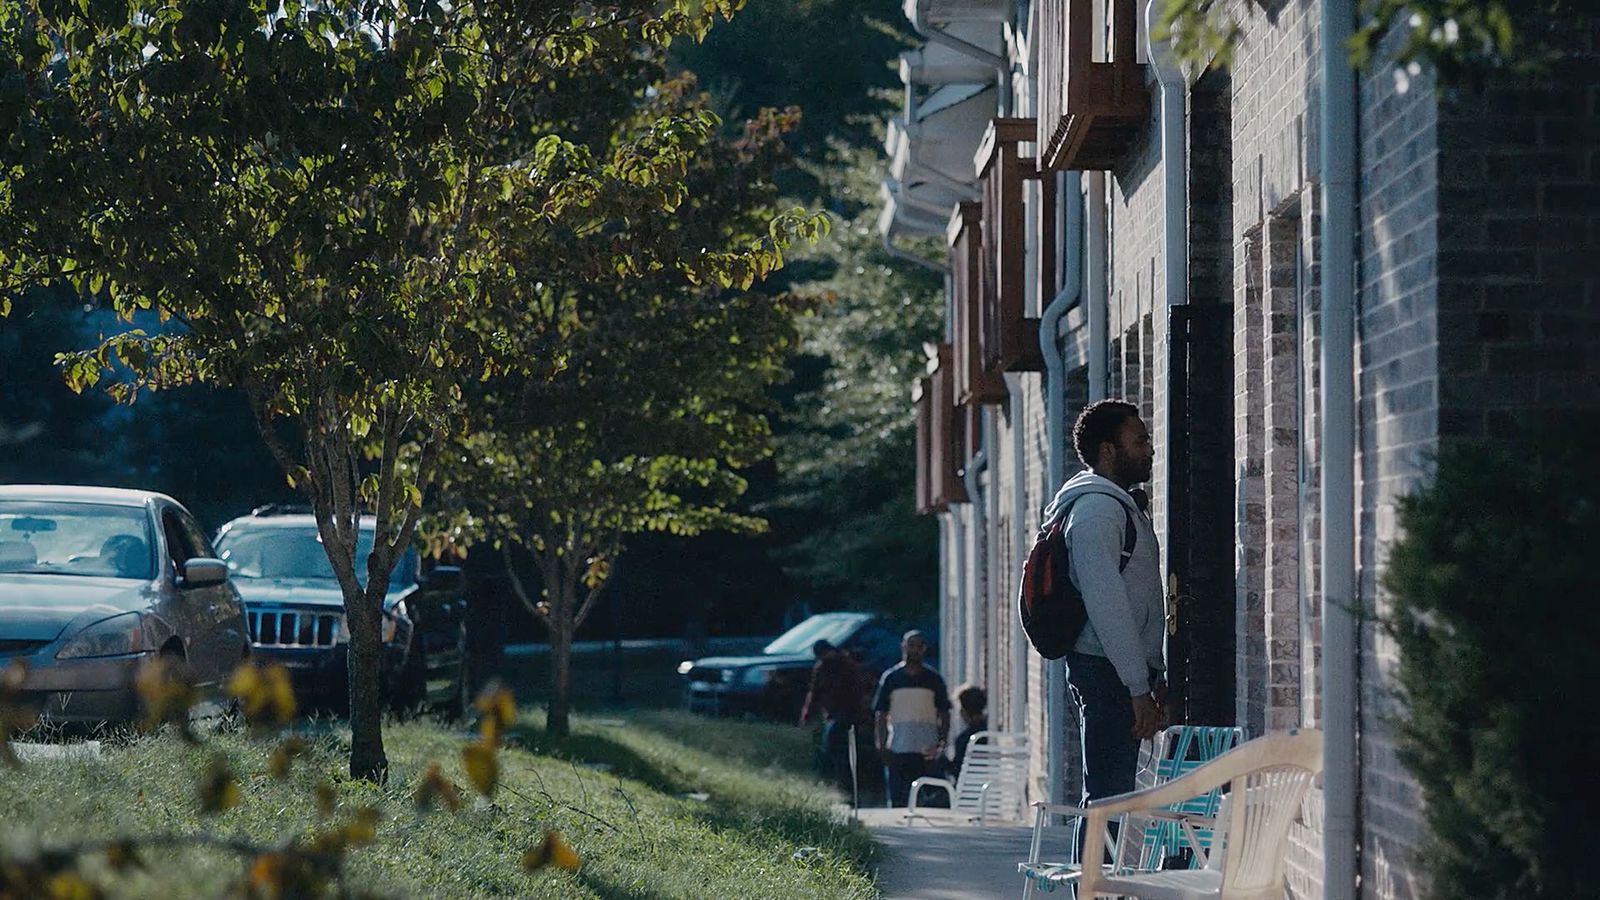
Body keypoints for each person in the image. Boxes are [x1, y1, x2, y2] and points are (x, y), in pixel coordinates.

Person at [1040, 400, 1167, 828]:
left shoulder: (1116, 505)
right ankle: (1093, 890)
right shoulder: (1097, 512)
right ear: (1108, 450)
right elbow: (1107, 605)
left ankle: (1098, 887)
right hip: (1106, 672)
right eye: (1140, 440)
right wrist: (1137, 687)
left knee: (1110, 798)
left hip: (1115, 671)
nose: (1149, 449)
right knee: (1108, 801)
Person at [872, 630, 950, 808]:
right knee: (898, 800)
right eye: (910, 645)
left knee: (929, 801)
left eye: (918, 646)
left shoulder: (934, 680)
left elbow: (945, 713)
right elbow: (881, 714)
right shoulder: (891, 679)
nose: (914, 650)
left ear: (924, 649)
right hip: (898, 747)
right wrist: (881, 745)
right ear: (903, 647)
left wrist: (941, 742)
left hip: (926, 749)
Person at [798, 639, 869, 791]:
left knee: (839, 750)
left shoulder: (846, 665)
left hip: (849, 714)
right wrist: (807, 714)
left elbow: (858, 691)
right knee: (833, 752)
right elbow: (815, 693)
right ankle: (837, 785)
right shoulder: (822, 668)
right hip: (833, 715)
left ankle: (845, 786)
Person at [948, 684, 988, 776]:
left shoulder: (964, 739)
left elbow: (957, 770)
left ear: (963, 711)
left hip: (968, 787)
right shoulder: (991, 733)